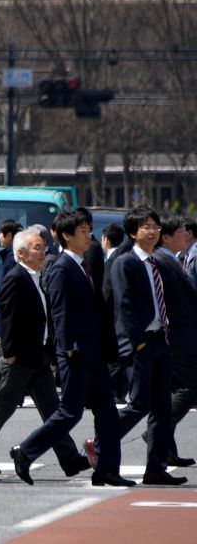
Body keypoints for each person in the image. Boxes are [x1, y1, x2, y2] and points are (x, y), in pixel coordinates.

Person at [12, 210, 134, 487]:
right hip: (76, 353)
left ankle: (107, 470)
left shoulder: (81, 265)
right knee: (70, 412)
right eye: (82, 230)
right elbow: (60, 310)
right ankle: (25, 451)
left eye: (89, 229)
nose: (88, 234)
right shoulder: (61, 268)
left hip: (93, 353)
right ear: (67, 236)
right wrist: (66, 348)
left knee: (107, 413)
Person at [0, 228, 91, 477]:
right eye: (37, 247)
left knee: (52, 409)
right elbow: (9, 317)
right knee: (3, 406)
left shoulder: (35, 276)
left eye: (43, 246)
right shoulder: (16, 278)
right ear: (21, 253)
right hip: (20, 357)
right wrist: (10, 353)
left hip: (38, 356)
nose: (43, 250)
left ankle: (69, 458)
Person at [101, 207, 186, 486]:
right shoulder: (126, 262)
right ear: (132, 233)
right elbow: (123, 305)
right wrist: (135, 342)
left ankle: (156, 467)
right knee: (138, 404)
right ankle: (100, 445)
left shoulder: (156, 261)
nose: (152, 231)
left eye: (155, 226)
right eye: (145, 227)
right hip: (141, 343)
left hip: (161, 340)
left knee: (161, 408)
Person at [151, 215, 197, 467]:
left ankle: (166, 447)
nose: (185, 235)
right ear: (166, 237)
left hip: (181, 336)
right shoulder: (161, 261)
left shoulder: (173, 260)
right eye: (180, 232)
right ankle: (159, 431)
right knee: (189, 388)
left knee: (171, 391)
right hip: (176, 338)